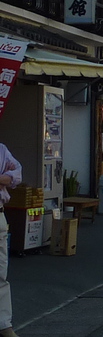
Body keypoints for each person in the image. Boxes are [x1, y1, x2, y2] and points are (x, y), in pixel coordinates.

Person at [0, 144, 21, 337]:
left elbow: (17, 174)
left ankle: (3, 324)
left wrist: (2, 179)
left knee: (0, 271)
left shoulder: (1, 150)